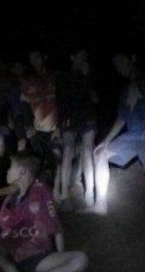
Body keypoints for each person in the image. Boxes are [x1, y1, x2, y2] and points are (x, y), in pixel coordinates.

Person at [81, 52, 145, 231]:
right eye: (116, 65)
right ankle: (100, 204)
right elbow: (122, 117)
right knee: (100, 153)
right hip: (133, 135)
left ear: (132, 59)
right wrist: (106, 140)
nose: (119, 67)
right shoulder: (124, 90)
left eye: (122, 61)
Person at [56, 49, 99, 206]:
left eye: (85, 56)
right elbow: (60, 101)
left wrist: (87, 77)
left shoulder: (89, 74)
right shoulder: (63, 77)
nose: (84, 58)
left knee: (87, 151)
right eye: (81, 55)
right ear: (72, 57)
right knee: (67, 150)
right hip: (70, 118)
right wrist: (59, 124)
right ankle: (64, 195)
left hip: (87, 116)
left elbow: (96, 98)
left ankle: (89, 193)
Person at [20, 51, 61, 173]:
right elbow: (24, 105)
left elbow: (62, 101)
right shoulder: (27, 81)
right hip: (37, 129)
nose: (34, 61)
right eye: (31, 59)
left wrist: (60, 125)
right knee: (39, 164)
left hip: (54, 128)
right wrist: (28, 125)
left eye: (36, 57)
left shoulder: (54, 77)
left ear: (44, 57)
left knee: (57, 162)